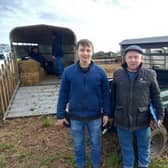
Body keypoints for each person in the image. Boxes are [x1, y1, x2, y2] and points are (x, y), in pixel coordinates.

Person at [56, 39, 111, 168]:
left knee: (96, 143)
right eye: (82, 50)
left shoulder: (100, 72)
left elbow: (106, 94)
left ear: (92, 52)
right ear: (77, 52)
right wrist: (60, 115)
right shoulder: (68, 72)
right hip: (75, 116)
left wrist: (107, 113)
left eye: (88, 50)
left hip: (95, 116)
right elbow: (63, 94)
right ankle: (81, 164)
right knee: (78, 144)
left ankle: (96, 164)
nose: (85, 53)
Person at [111, 45, 164, 168]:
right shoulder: (118, 74)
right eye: (130, 57)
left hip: (143, 120)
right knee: (126, 149)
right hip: (122, 119)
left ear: (141, 58)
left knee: (144, 148)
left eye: (136, 57)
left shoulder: (150, 74)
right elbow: (112, 97)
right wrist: (110, 114)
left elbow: (156, 96)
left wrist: (160, 115)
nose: (133, 60)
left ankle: (143, 165)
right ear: (125, 59)